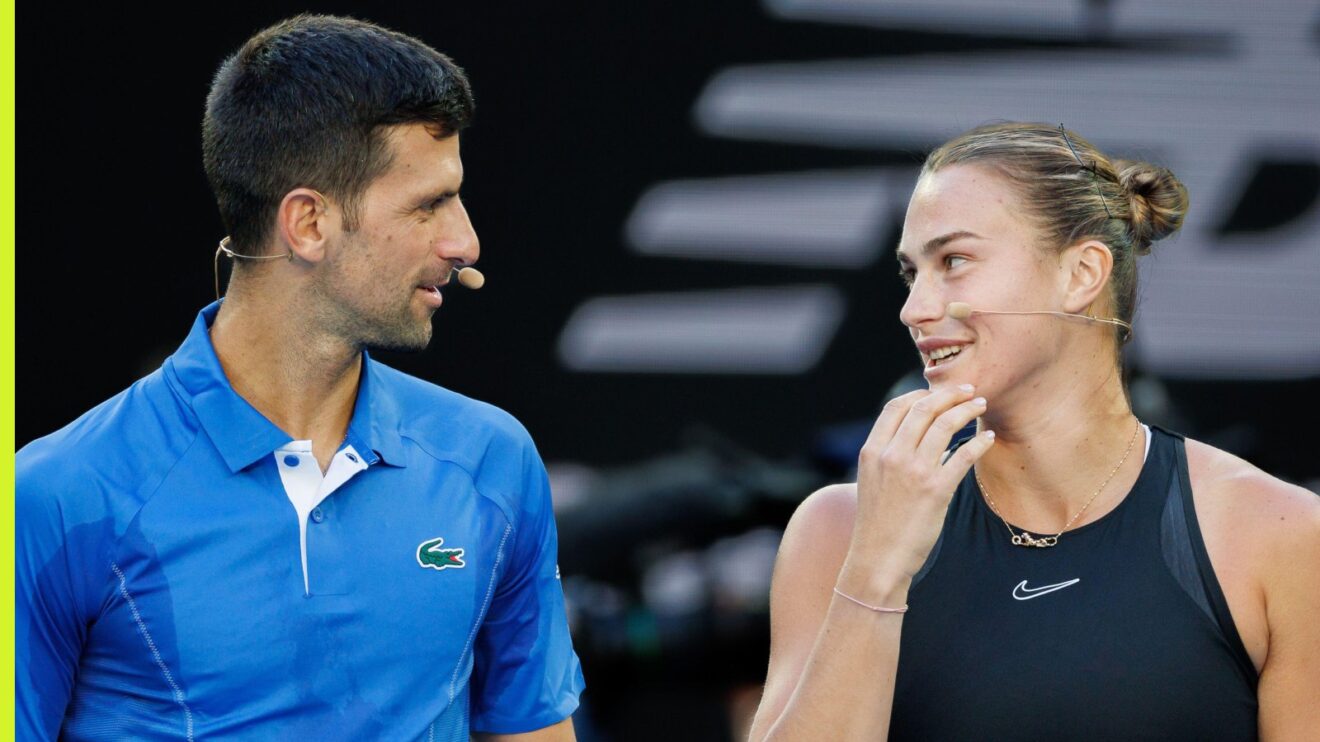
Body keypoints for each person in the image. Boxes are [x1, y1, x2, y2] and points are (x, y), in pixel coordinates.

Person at [17, 15, 584, 741]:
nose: (464, 241)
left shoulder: (491, 462)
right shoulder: (57, 496)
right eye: (429, 204)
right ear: (309, 223)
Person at [749, 123, 1320, 740]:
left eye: (954, 261)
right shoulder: (839, 531)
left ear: (1081, 274)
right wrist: (875, 572)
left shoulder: (1274, 536)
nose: (914, 309)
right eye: (912, 273)